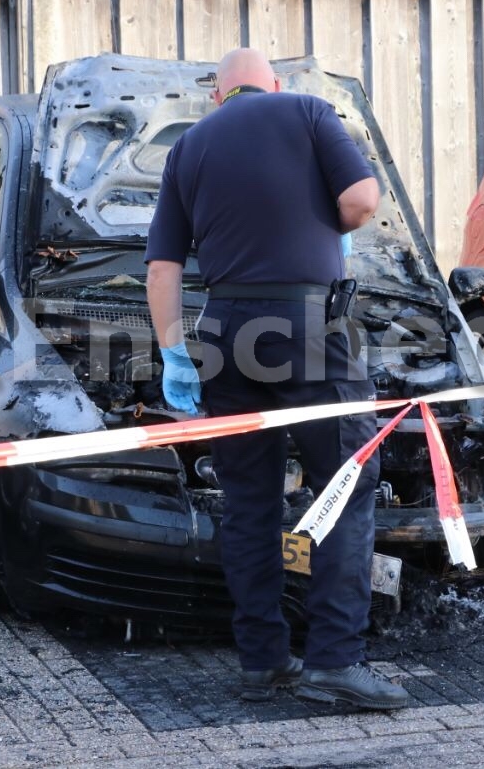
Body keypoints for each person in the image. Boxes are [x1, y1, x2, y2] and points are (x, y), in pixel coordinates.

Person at [145, 47, 409, 711]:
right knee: (349, 481)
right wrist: (328, 219)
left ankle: (263, 659)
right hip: (306, 325)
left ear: (217, 97)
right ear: (274, 85)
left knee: (249, 499)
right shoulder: (310, 111)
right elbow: (362, 200)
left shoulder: (189, 147)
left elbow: (162, 271)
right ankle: (334, 660)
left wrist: (175, 353)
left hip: (226, 331)